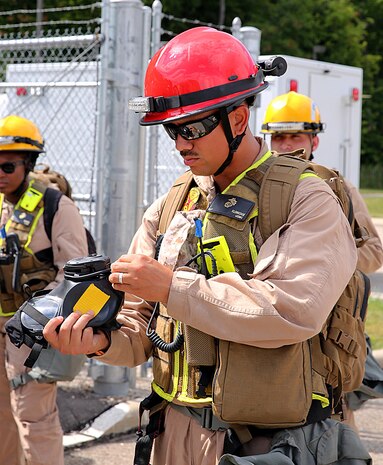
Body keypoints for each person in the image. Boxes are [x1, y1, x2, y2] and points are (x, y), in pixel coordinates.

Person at [43, 27, 371, 465]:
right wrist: (98, 342)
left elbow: (292, 309)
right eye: (171, 130)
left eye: (193, 127)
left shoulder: (305, 197)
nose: (180, 143)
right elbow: (142, 331)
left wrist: (171, 287)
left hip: (263, 444)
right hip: (171, 433)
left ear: (238, 118)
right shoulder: (173, 202)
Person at [261, 90, 383, 430]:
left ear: (313, 139)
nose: (286, 144)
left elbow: (373, 252)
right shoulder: (252, 187)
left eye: (295, 135)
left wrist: (323, 262)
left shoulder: (335, 186)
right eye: (278, 137)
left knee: (334, 424)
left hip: (327, 330)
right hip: (269, 323)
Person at [0, 115, 89, 465]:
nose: (0, 173)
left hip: (29, 335)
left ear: (29, 163)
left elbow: (76, 273)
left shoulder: (55, 206)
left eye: (8, 166)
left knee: (33, 420)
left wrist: (35, 318)